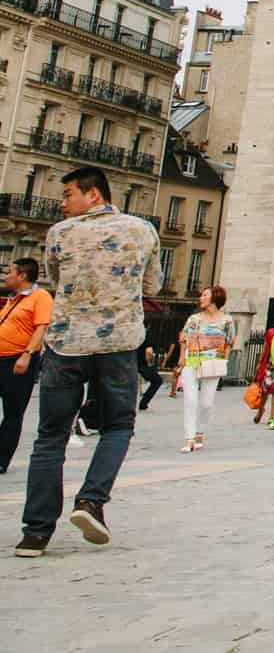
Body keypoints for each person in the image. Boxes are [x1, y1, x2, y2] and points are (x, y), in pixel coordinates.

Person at [15, 166, 161, 559]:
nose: (62, 203)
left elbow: (54, 277)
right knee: (118, 425)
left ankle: (36, 532)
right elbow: (152, 287)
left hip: (66, 342)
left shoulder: (59, 234)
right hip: (118, 342)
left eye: (67, 195)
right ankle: (91, 501)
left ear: (93, 194)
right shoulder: (142, 230)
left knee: (50, 437)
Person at [0, 257, 52, 475]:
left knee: (13, 412)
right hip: (2, 359)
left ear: (22, 275)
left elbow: (41, 327)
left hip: (18, 361)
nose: (6, 276)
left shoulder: (40, 297)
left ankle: (1, 459)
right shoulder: (14, 300)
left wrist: (27, 354)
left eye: (10, 272)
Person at [175, 285, 234, 453]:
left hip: (213, 362)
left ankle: (200, 432)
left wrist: (225, 360)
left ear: (215, 298)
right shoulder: (194, 319)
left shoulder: (227, 320)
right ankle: (189, 438)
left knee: (207, 403)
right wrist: (181, 358)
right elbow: (183, 338)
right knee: (190, 400)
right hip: (192, 360)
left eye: (205, 295)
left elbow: (229, 341)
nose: (201, 298)